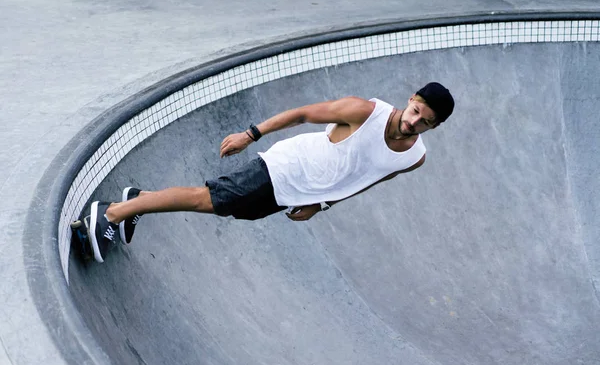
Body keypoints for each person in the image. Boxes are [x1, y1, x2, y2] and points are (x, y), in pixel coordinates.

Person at [86, 82, 454, 263]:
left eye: (425, 122)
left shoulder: (413, 157)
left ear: (433, 128)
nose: (414, 122)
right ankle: (111, 212)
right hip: (283, 167)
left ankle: (137, 201)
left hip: (297, 193)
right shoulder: (365, 112)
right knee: (207, 199)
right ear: (411, 100)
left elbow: (366, 180)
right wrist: (250, 134)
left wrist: (323, 204)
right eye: (416, 110)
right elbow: (304, 114)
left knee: (221, 207)